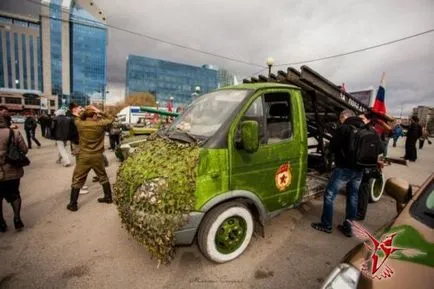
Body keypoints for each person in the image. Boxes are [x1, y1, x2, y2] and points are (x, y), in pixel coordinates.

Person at [311, 110, 365, 237]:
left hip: (344, 168)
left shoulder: (344, 128)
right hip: (359, 170)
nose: (340, 120)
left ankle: (326, 225)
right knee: (353, 197)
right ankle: (348, 228)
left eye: (340, 118)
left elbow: (333, 147)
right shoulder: (365, 128)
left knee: (329, 195)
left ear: (344, 117)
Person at [67, 106, 114, 211]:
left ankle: (73, 204)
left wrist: (82, 112)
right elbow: (111, 118)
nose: (97, 116)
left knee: (77, 179)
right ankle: (108, 197)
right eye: (95, 115)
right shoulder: (100, 124)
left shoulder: (80, 124)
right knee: (103, 177)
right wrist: (99, 111)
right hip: (97, 155)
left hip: (84, 156)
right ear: (93, 115)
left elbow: (77, 117)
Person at [0, 106, 28, 232]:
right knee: (15, 194)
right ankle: (17, 218)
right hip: (12, 170)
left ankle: (1, 222)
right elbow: (24, 150)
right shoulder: (14, 133)